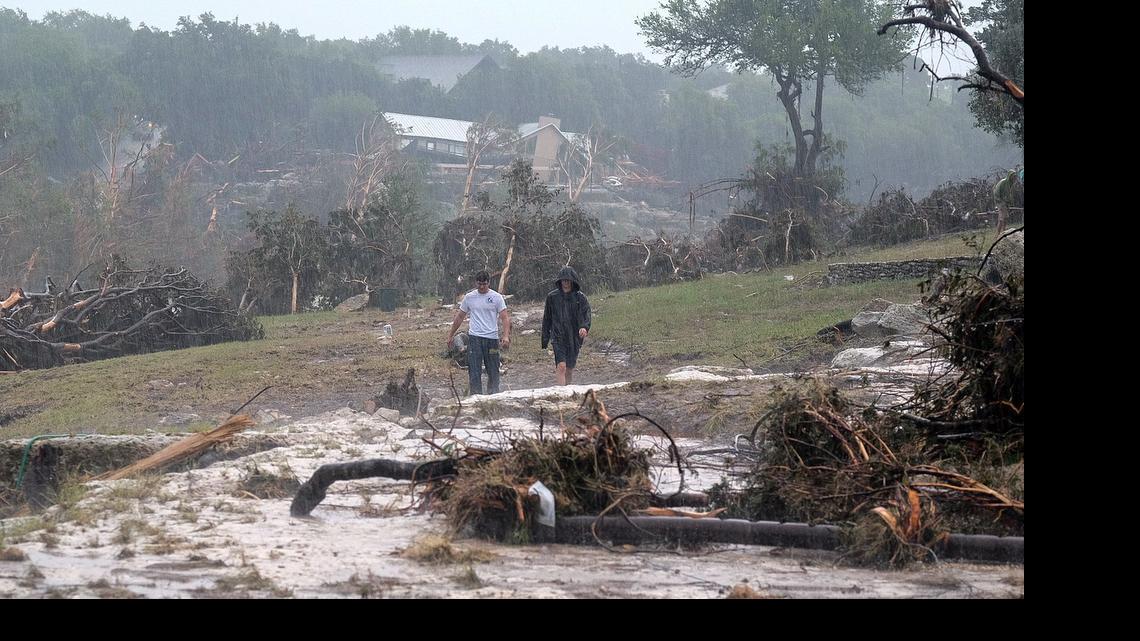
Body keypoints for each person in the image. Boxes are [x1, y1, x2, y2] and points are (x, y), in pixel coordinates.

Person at [446, 270, 510, 395]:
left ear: (489, 283)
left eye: (484, 284)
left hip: (492, 340)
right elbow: (460, 317)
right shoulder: (470, 297)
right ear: (476, 283)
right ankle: (476, 397)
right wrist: (451, 335)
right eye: (479, 284)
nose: (481, 287)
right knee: (474, 370)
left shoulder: (496, 297)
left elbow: (505, 317)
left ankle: (494, 397)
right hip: (475, 339)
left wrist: (506, 336)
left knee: (493, 370)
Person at [541, 266, 592, 386]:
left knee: (569, 369)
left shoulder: (580, 298)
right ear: (560, 281)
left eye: (568, 280)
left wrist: (584, 327)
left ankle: (567, 390)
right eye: (563, 280)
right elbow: (547, 318)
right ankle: (561, 392)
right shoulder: (552, 297)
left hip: (574, 337)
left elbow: (586, 314)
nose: (566, 283)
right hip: (558, 336)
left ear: (573, 281)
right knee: (561, 366)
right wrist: (545, 338)